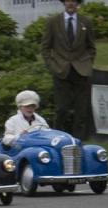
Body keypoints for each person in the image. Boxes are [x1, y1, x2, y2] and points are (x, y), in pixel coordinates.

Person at [41, 0, 96, 140]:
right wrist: (52, 65)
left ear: (78, 3)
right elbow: (45, 47)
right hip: (61, 70)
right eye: (68, 1)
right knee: (62, 108)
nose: (70, 4)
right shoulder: (53, 22)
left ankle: (79, 141)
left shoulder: (86, 22)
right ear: (64, 3)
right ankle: (58, 138)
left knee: (81, 109)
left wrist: (88, 63)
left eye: (73, 1)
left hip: (81, 71)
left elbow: (91, 47)